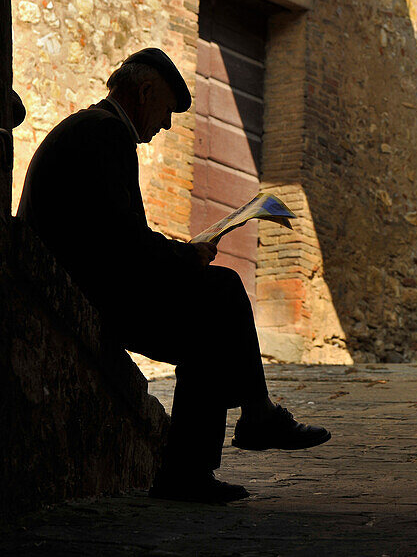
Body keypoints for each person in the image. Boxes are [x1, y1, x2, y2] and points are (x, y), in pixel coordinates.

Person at [17, 47, 329, 503]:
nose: (165, 124)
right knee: (220, 291)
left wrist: (177, 254)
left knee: (207, 326)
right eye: (165, 110)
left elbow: (114, 232)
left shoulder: (90, 130)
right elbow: (123, 243)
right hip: (92, 286)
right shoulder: (107, 135)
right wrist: (183, 257)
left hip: (89, 277)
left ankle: (203, 460)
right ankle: (245, 424)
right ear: (143, 92)